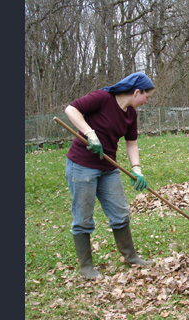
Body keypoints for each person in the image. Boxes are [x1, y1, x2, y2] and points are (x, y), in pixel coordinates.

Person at [63, 72, 155, 279]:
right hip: (81, 165)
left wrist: (136, 168)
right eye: (146, 97)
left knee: (120, 212)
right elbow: (71, 109)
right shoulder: (102, 98)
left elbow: (131, 142)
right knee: (83, 217)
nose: (146, 101)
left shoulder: (131, 114)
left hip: (108, 167)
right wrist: (90, 133)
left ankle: (130, 256)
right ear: (136, 91)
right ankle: (86, 267)